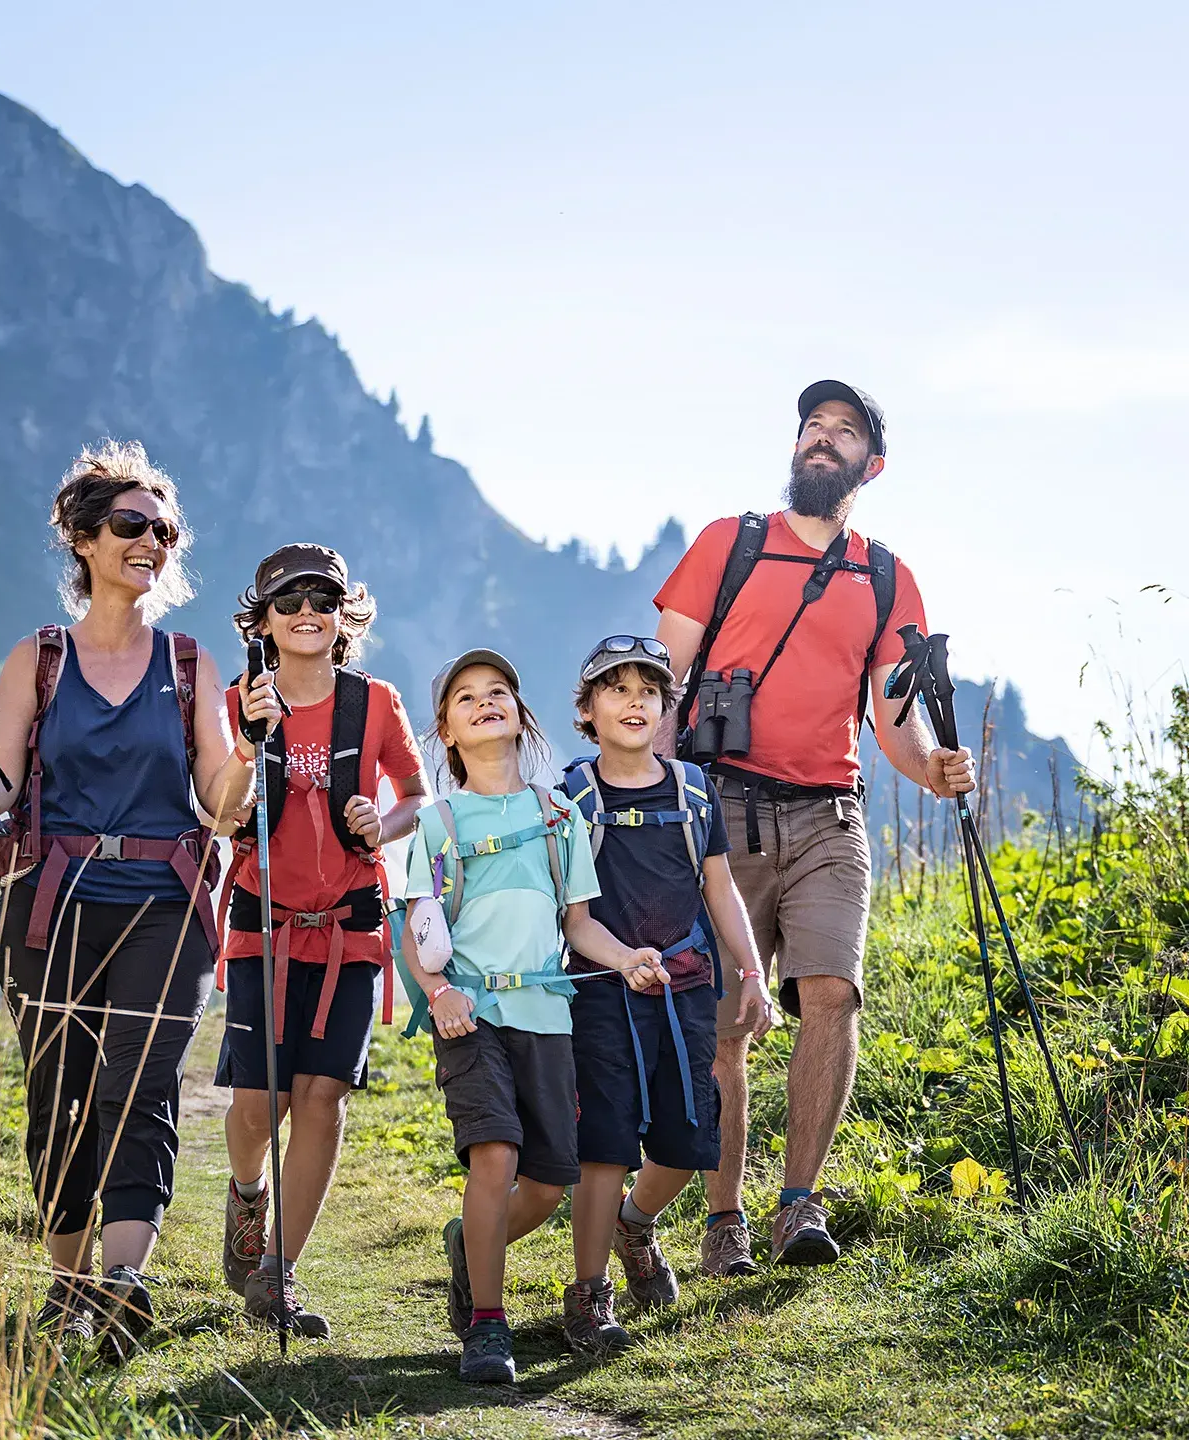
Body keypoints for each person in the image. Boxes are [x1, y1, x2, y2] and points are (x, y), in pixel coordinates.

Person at [0, 440, 279, 1361]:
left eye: (163, 530)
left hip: (164, 908)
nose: (151, 542)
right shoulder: (37, 659)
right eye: (131, 526)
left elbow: (220, 809)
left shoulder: (190, 664)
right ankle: (67, 1288)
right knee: (60, 1094)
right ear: (85, 540)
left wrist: (249, 753)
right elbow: (2, 792)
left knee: (140, 1085)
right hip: (50, 907)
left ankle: (125, 1284)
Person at [647, 381, 976, 1274]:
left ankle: (799, 1203)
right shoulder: (730, 544)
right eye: (811, 428)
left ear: (872, 463)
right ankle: (724, 1221)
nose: (821, 441)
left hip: (830, 813)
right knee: (724, 1025)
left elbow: (893, 715)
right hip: (722, 811)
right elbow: (659, 686)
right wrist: (652, 805)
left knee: (831, 995)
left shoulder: (885, 576)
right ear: (796, 448)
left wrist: (933, 770)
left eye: (843, 432)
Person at [397, 648, 670, 1385]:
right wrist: (439, 993)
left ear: (521, 716)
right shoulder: (439, 822)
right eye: (465, 698)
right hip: (470, 1016)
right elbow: (416, 926)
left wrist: (624, 958)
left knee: (547, 1185)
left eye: (499, 693)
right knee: (495, 1157)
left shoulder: (559, 817)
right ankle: (488, 1324)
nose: (485, 702)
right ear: (447, 733)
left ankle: (469, 1247)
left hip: (547, 1013)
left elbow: (579, 924)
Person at [215, 543, 430, 1339]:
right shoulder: (239, 701)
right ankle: (246, 1195)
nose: (308, 612)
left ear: (345, 617)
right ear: (263, 620)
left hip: (351, 924)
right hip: (260, 924)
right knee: (257, 1099)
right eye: (289, 601)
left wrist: (387, 822)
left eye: (324, 600)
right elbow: (217, 808)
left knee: (321, 1097)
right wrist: (246, 741)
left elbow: (413, 794)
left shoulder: (374, 702)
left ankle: (280, 1273)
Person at [561, 637, 771, 1353]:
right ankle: (589, 1297)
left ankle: (633, 1224)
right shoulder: (572, 797)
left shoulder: (691, 788)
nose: (635, 702)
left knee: (688, 1141)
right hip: (600, 993)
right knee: (605, 1147)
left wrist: (752, 972)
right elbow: (573, 919)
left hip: (686, 991)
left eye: (649, 691)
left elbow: (720, 889)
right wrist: (624, 962)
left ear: (666, 708)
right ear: (587, 710)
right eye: (615, 690)